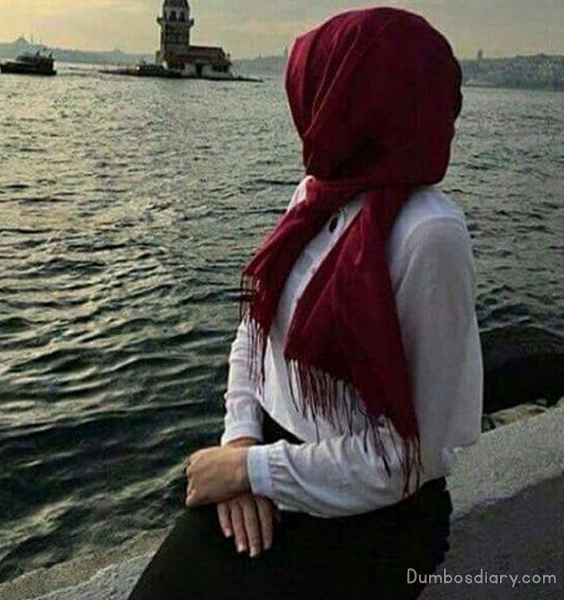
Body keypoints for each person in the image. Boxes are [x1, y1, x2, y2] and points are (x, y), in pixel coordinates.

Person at [127, 6, 483, 600]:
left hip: (371, 518)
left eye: (320, 81)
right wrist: (241, 438)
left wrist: (251, 471)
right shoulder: (318, 193)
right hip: (270, 463)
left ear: (351, 100)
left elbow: (410, 456)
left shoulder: (429, 235)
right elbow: (254, 329)